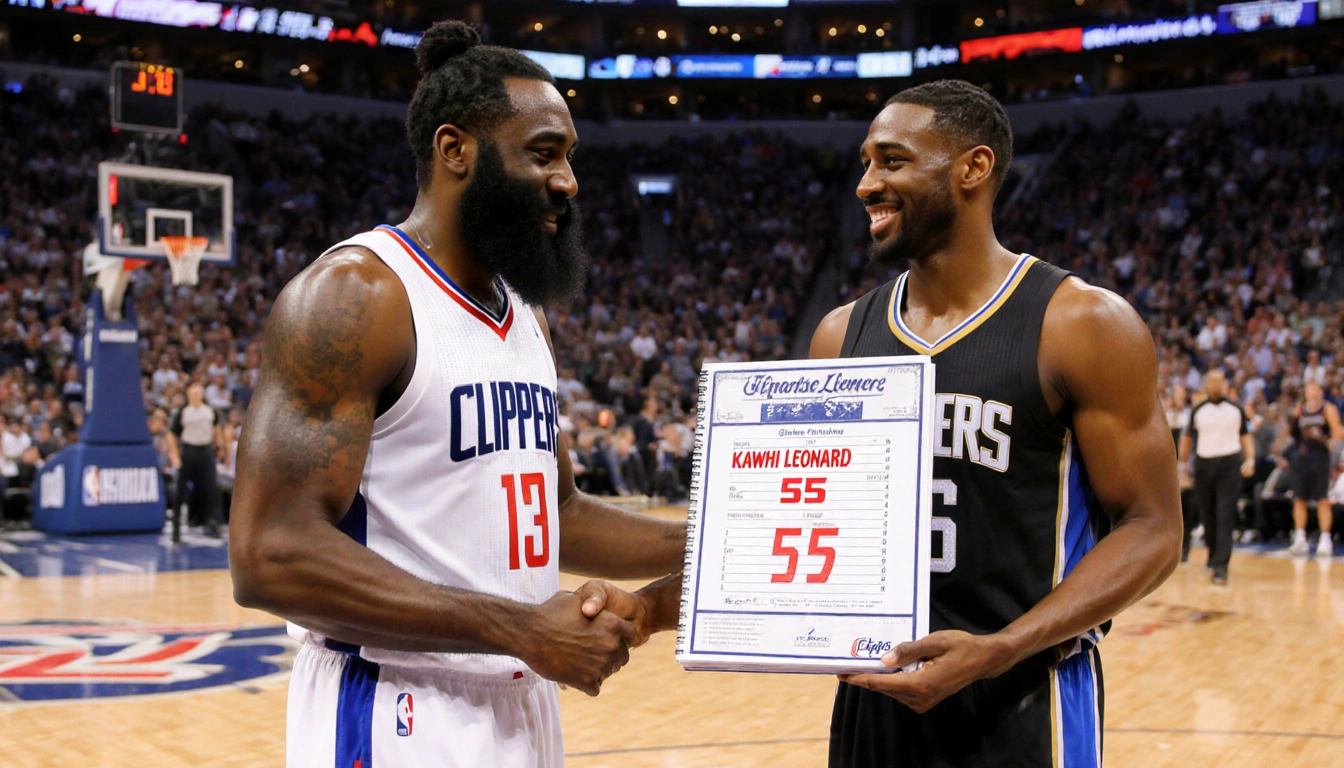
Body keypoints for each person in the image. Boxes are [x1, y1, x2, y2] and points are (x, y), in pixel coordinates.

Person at [228, 22, 685, 768]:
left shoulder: (522, 311)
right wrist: (521, 628)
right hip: (395, 700)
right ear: (455, 151)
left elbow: (553, 513)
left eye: (569, 156)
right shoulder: (357, 295)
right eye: (544, 153)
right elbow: (268, 553)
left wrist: (710, 539)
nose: (568, 181)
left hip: (520, 697)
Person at [809, 80, 1181, 768]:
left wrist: (1000, 648)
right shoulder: (839, 336)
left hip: (1024, 694)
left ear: (973, 168)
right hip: (874, 697)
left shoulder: (1083, 324)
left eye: (891, 161)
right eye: (865, 162)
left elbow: (1154, 529)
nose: (866, 184)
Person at [1179, 369, 1255, 584]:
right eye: (1211, 382)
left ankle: (1221, 567)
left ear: (1224, 384)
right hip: (1204, 464)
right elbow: (1186, 438)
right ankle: (1213, 557)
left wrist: (1250, 460)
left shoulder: (1236, 409)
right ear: (1205, 384)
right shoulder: (1198, 410)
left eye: (1219, 382)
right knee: (1208, 515)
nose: (1215, 386)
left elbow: (1246, 435)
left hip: (1230, 464)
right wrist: (1182, 466)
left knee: (1225, 514)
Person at [1287, 381, 1343, 557]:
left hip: (1320, 457)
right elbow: (1292, 431)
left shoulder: (1328, 408)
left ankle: (1325, 539)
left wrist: (1331, 441)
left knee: (1322, 499)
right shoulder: (1300, 409)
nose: (1310, 392)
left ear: (1320, 391)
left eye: (1314, 389)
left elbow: (1337, 431)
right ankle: (1300, 538)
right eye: (1308, 389)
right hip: (1302, 457)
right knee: (1299, 499)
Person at [173, 381, 223, 539]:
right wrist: (174, 455)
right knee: (180, 489)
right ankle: (176, 528)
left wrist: (219, 447)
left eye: (199, 389)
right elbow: (172, 433)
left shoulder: (209, 410)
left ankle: (212, 523)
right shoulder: (183, 411)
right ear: (188, 392)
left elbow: (217, 428)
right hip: (189, 450)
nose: (196, 392)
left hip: (206, 450)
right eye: (193, 389)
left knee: (211, 488)